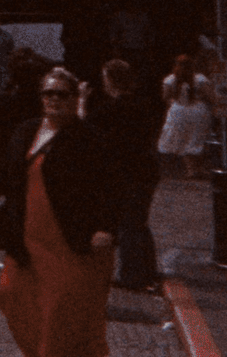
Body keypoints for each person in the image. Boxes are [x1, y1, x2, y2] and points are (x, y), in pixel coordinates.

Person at [0, 65, 119, 357]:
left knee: (60, 317)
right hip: (28, 239)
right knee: (11, 295)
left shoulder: (88, 138)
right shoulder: (26, 130)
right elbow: (7, 174)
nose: (53, 99)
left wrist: (106, 228)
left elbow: (110, 188)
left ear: (75, 98)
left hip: (69, 243)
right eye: (48, 93)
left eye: (61, 94)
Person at [84, 59, 162, 290]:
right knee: (138, 220)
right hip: (146, 167)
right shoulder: (144, 104)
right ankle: (148, 268)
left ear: (110, 80)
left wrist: (82, 101)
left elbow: (86, 128)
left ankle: (133, 275)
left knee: (128, 223)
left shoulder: (112, 108)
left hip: (125, 171)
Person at [157, 53, 213, 178]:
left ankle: (191, 169)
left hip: (179, 110)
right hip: (198, 110)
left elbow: (165, 96)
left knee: (183, 139)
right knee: (196, 139)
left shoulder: (171, 79)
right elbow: (210, 96)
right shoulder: (200, 78)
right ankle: (197, 168)